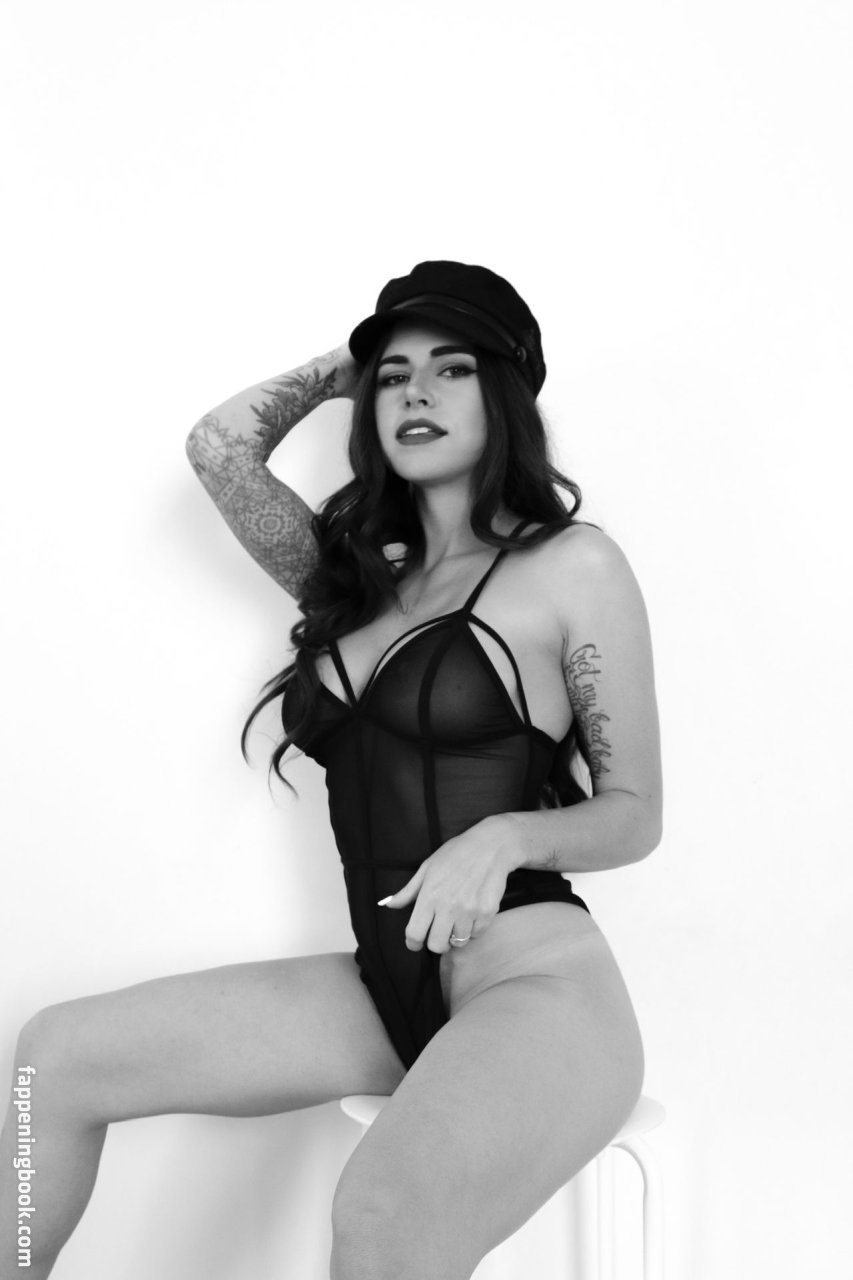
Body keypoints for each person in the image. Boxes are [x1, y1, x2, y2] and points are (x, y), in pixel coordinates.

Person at [0, 260, 662, 1280]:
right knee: (55, 1059)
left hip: (532, 982)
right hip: (382, 984)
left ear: (506, 394)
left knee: (381, 1209)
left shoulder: (571, 565)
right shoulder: (350, 585)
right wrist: (343, 368)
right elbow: (218, 446)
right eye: (395, 376)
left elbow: (633, 813)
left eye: (451, 368)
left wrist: (503, 837)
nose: (416, 392)